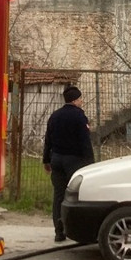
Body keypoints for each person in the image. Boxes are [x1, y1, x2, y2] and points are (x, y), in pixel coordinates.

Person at [43, 85, 94, 242]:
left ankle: (59, 232)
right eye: (80, 99)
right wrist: (91, 163)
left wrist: (46, 160)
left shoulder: (55, 116)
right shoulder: (79, 117)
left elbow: (48, 140)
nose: (82, 101)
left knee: (59, 196)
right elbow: (85, 142)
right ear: (75, 100)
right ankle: (79, 231)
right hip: (74, 161)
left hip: (57, 159)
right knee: (77, 195)